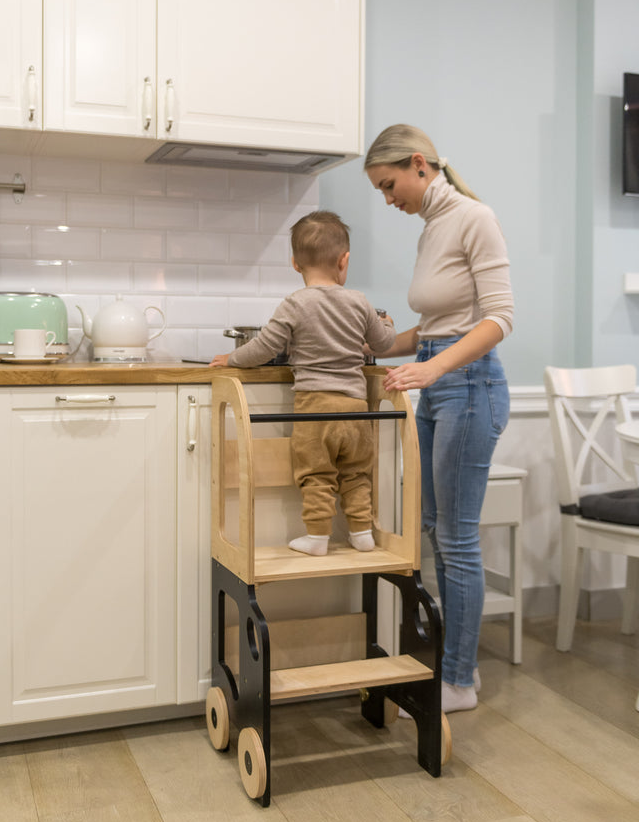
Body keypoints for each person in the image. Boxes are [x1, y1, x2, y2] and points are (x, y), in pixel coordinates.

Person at [364, 124, 513, 714]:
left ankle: (459, 681)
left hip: (471, 388)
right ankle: (445, 669)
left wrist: (432, 372)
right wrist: (371, 346)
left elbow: (499, 319)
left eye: (389, 184)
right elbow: (430, 332)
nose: (388, 198)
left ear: (419, 164)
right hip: (442, 383)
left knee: (456, 539)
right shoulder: (432, 227)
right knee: (431, 529)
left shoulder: (476, 217)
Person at [210, 210, 396, 556]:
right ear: (345, 260)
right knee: (356, 473)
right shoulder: (359, 302)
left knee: (317, 475)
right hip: (355, 407)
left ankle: (317, 537)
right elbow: (383, 344)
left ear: (295, 264)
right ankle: (362, 532)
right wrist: (389, 324)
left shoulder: (295, 303)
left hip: (315, 407)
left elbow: (264, 348)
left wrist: (231, 359)